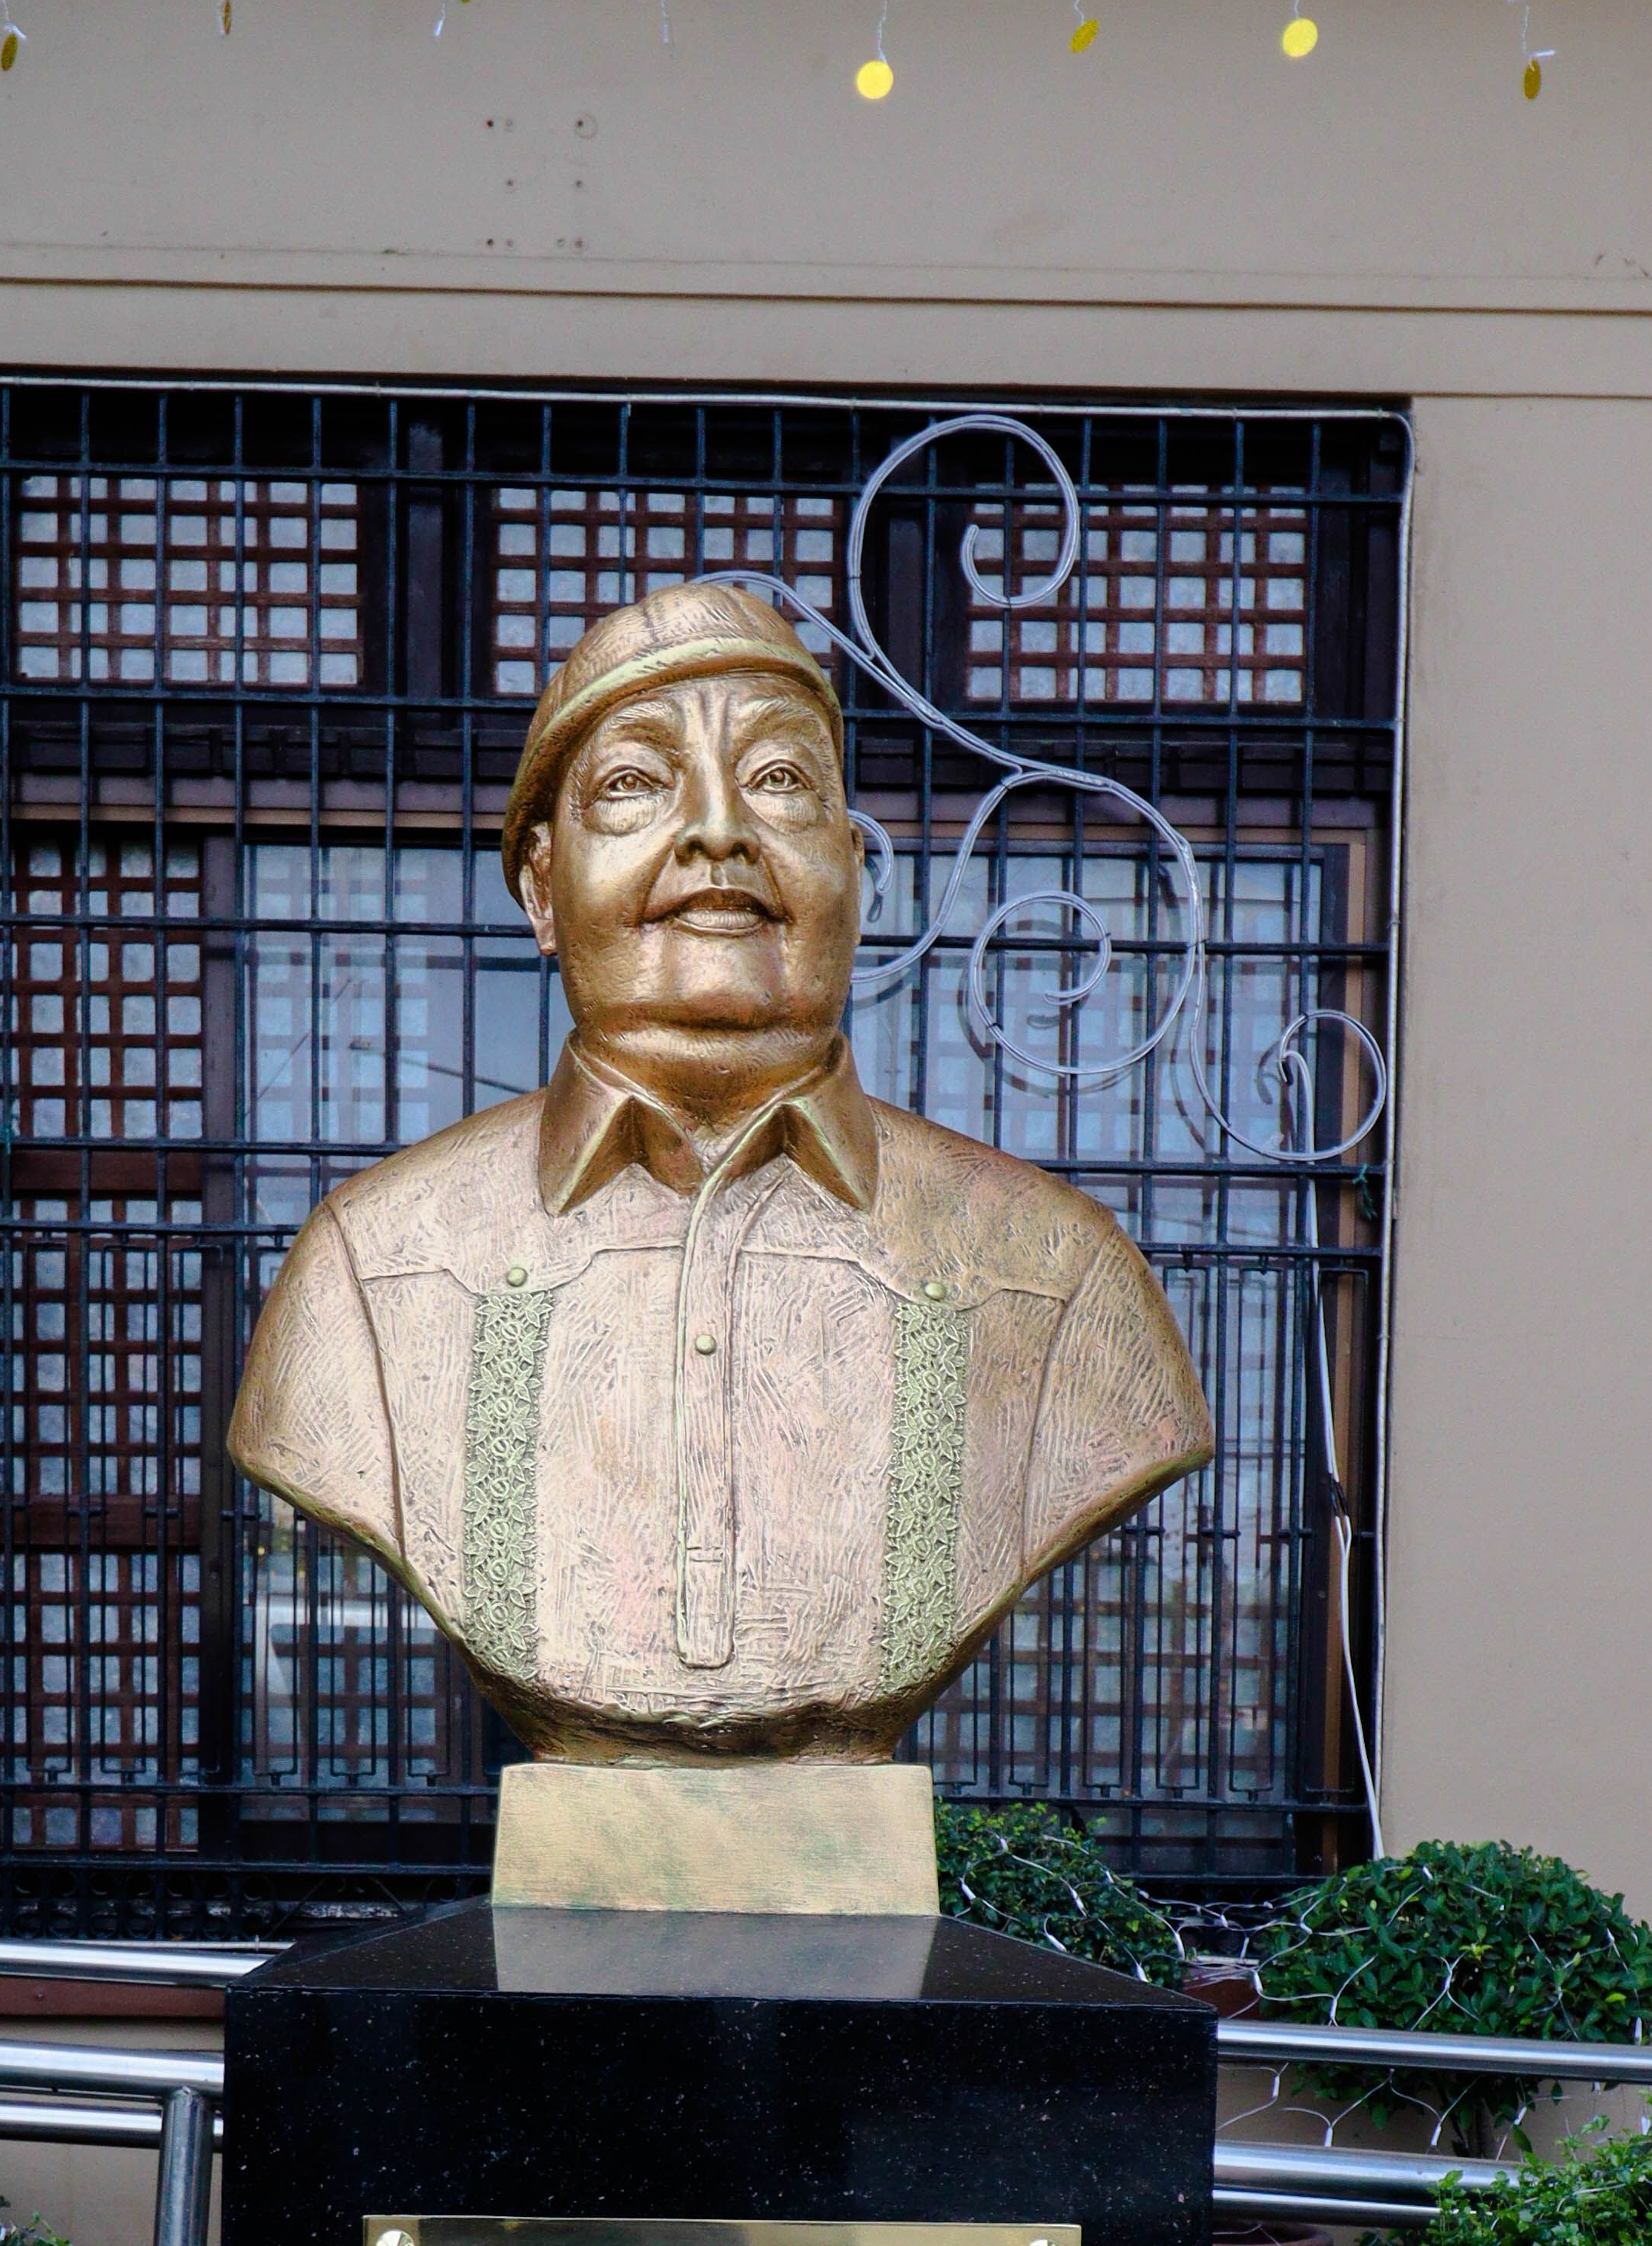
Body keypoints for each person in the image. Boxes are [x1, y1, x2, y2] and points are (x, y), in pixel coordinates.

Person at [226, 576, 1214, 1763]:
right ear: (543, 886)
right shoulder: (370, 1266)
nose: (716, 832)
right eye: (637, 783)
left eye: (779, 780)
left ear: (855, 869)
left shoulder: (1056, 1274)